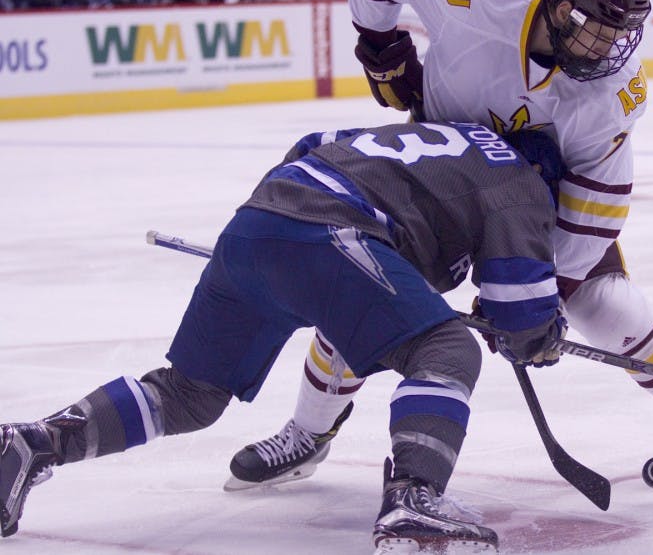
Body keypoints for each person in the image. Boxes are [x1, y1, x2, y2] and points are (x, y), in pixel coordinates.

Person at [225, 0, 653, 491]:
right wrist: (382, 48)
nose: (604, 51)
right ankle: (309, 433)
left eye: (616, 37)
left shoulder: (614, 92)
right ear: (556, 5)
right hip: (433, 183)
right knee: (360, 292)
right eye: (591, 31)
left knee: (602, 303)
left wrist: (533, 295)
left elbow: (594, 210)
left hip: (531, 206)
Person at [0, 122, 568, 553]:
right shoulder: (520, 180)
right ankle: (414, 501)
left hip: (256, 222)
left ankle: (36, 441)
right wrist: (542, 336)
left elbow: (309, 142)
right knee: (446, 350)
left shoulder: (440, 135)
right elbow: (521, 320)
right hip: (332, 230)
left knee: (189, 395)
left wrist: (291, 240)